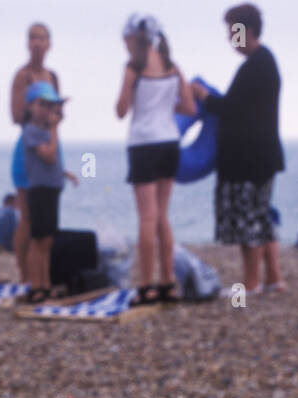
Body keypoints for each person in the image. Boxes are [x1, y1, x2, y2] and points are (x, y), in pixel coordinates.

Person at [191, 4, 285, 294]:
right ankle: (273, 278)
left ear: (248, 31)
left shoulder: (257, 66)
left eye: (233, 31)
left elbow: (231, 109)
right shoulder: (262, 63)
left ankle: (250, 283)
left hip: (250, 159)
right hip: (262, 156)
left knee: (249, 221)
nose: (231, 38)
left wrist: (203, 96)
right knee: (261, 217)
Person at [115, 13, 195, 305]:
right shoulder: (174, 68)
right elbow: (187, 107)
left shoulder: (133, 69)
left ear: (135, 38)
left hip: (143, 142)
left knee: (147, 218)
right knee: (163, 216)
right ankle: (168, 283)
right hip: (169, 141)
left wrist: (140, 101)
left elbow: (121, 110)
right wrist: (164, 102)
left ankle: (146, 285)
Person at [9, 23, 60, 284]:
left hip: (48, 144)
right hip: (28, 148)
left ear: (49, 43)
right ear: (27, 43)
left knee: (43, 219)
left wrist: (53, 115)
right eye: (32, 38)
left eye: (42, 38)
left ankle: (41, 276)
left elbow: (58, 114)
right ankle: (26, 276)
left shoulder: (52, 75)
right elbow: (16, 115)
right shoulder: (23, 75)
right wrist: (39, 110)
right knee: (27, 216)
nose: (37, 43)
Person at [22, 82, 74, 303]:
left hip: (51, 187)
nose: (47, 110)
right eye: (43, 105)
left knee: (47, 240)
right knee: (38, 239)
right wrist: (55, 128)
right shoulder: (33, 131)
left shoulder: (43, 130)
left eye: (50, 105)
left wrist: (64, 173)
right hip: (40, 189)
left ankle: (45, 284)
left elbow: (51, 162)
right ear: (31, 106)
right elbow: (49, 156)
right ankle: (37, 286)